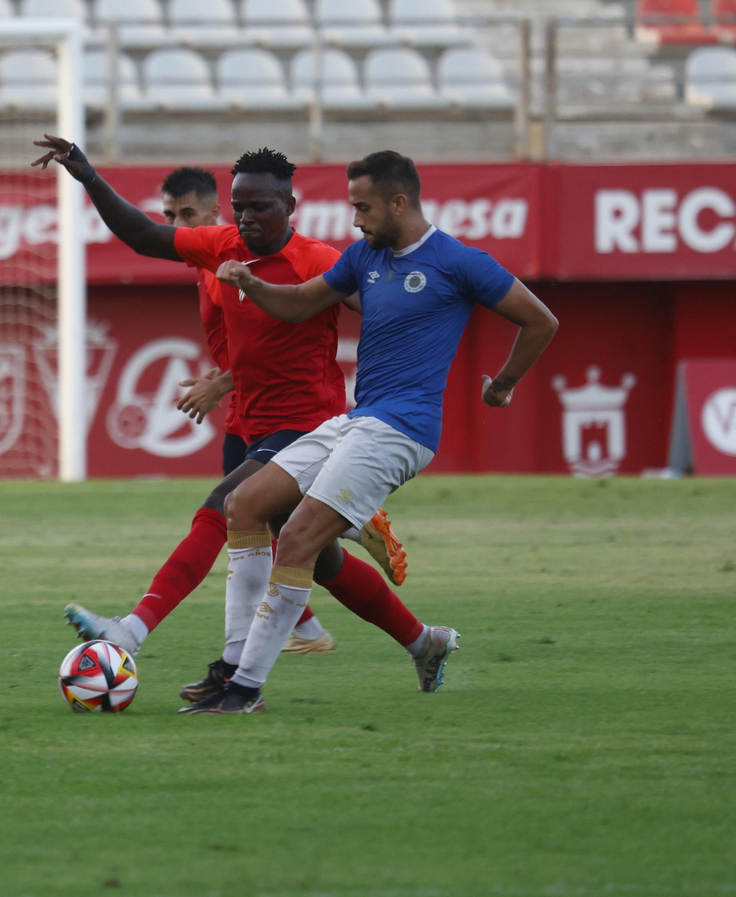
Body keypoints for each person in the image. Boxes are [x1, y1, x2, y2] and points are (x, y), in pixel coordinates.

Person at [32, 137, 435, 699]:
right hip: (255, 423)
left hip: (309, 428)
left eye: (259, 207)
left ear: (289, 206)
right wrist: (89, 177)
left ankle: (135, 631)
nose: (246, 218)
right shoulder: (222, 246)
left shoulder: (317, 261)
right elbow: (144, 235)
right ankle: (424, 642)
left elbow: (386, 313)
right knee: (321, 562)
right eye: (240, 206)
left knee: (224, 506)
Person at [184, 149, 558, 714]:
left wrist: (502, 384)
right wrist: (249, 283)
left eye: (363, 208)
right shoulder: (364, 257)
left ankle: (244, 689)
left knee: (300, 537)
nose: (355, 219)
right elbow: (298, 304)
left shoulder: (459, 262)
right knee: (244, 505)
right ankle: (409, 645)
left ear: (398, 202)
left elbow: (540, 320)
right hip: (357, 421)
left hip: (402, 430)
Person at [159, 165, 335, 654]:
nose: (177, 226)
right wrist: (222, 380)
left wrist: (220, 385)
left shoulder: (234, 263)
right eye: (169, 216)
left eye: (187, 214)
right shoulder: (208, 265)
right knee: (269, 524)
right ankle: (309, 629)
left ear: (215, 213)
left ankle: (144, 626)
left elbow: (270, 341)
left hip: (283, 411)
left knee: (233, 511)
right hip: (248, 408)